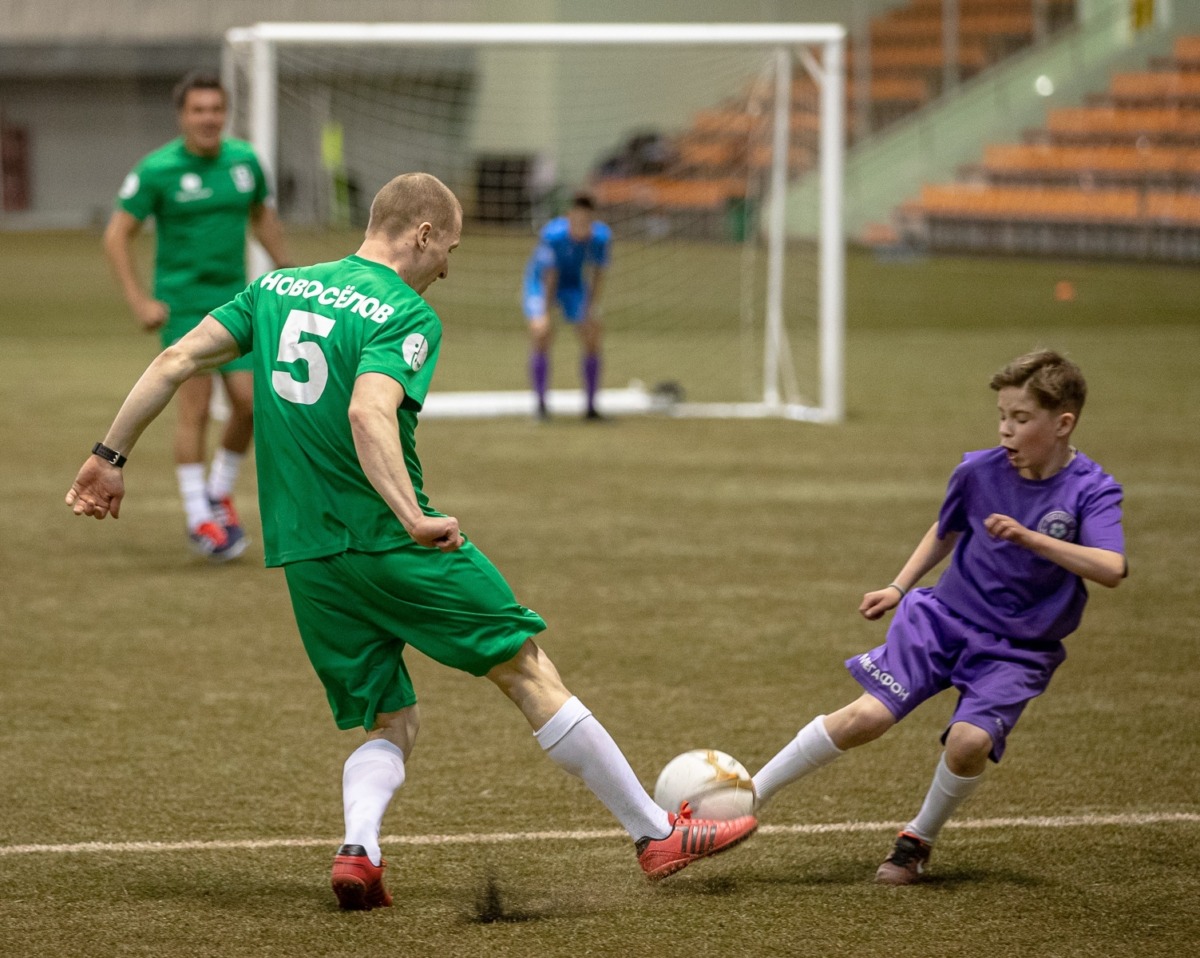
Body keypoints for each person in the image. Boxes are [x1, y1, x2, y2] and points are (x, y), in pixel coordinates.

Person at [67, 172, 756, 910]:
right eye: (449, 249)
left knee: (393, 718)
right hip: (390, 543)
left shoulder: (276, 289)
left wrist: (107, 458)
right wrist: (412, 517)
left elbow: (175, 360)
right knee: (525, 667)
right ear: (422, 233)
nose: (450, 268)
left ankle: (359, 851)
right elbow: (370, 413)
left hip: (307, 555)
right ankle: (656, 834)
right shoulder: (404, 313)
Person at [750, 350, 1126, 884]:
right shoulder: (978, 470)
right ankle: (745, 797)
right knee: (867, 717)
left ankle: (916, 841)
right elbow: (946, 528)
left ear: (1063, 424)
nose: (1005, 431)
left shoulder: (1092, 489)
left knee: (969, 743)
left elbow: (1111, 568)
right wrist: (899, 586)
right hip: (942, 617)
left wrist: (1030, 538)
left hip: (1018, 648)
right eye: (1002, 416)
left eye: (1021, 419)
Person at [103, 70, 291, 560]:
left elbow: (262, 218)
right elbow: (116, 235)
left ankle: (219, 492)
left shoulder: (246, 162)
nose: (209, 118)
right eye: (199, 110)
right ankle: (198, 517)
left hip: (239, 300)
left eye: (216, 109)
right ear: (182, 116)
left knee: (252, 404)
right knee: (197, 409)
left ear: (226, 113)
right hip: (185, 305)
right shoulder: (157, 170)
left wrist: (292, 274)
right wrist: (140, 300)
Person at [523, 191, 611, 420]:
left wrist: (590, 308)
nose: (582, 226)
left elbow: (596, 275)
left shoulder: (601, 238)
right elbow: (549, 276)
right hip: (541, 282)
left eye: (587, 221)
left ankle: (591, 408)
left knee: (592, 333)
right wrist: (544, 312)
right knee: (541, 332)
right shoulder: (553, 235)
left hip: (573, 285)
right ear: (569, 216)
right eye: (578, 220)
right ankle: (541, 406)